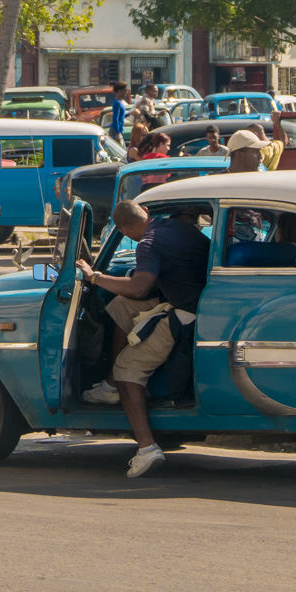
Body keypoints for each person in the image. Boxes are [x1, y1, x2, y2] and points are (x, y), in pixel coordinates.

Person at [76, 200, 210, 478]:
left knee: (129, 372)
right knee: (119, 305)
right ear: (146, 213)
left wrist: (94, 277)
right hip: (200, 301)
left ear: (123, 231)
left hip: (186, 315)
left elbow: (139, 287)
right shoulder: (178, 226)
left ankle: (147, 447)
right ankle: (110, 384)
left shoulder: (148, 244)